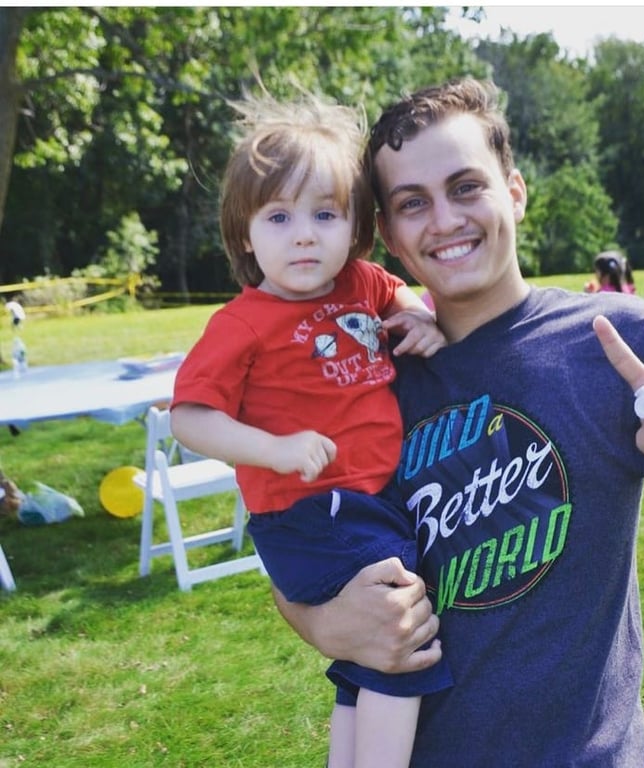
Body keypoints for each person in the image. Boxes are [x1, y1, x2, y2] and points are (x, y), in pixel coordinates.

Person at [275, 78, 644, 767]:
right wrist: (326, 623)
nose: (444, 220)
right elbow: (289, 541)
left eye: (466, 187)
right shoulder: (363, 373)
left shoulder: (618, 346)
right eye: (413, 203)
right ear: (387, 233)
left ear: (515, 191)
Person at [169, 91, 452, 768]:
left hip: (366, 501)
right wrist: (274, 449)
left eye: (325, 214)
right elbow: (189, 418)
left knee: (364, 655)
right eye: (279, 215)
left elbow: (398, 295)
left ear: (355, 227)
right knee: (400, 631)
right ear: (245, 234)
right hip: (310, 509)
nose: (304, 233)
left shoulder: (361, 283)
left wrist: (420, 316)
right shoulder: (243, 323)